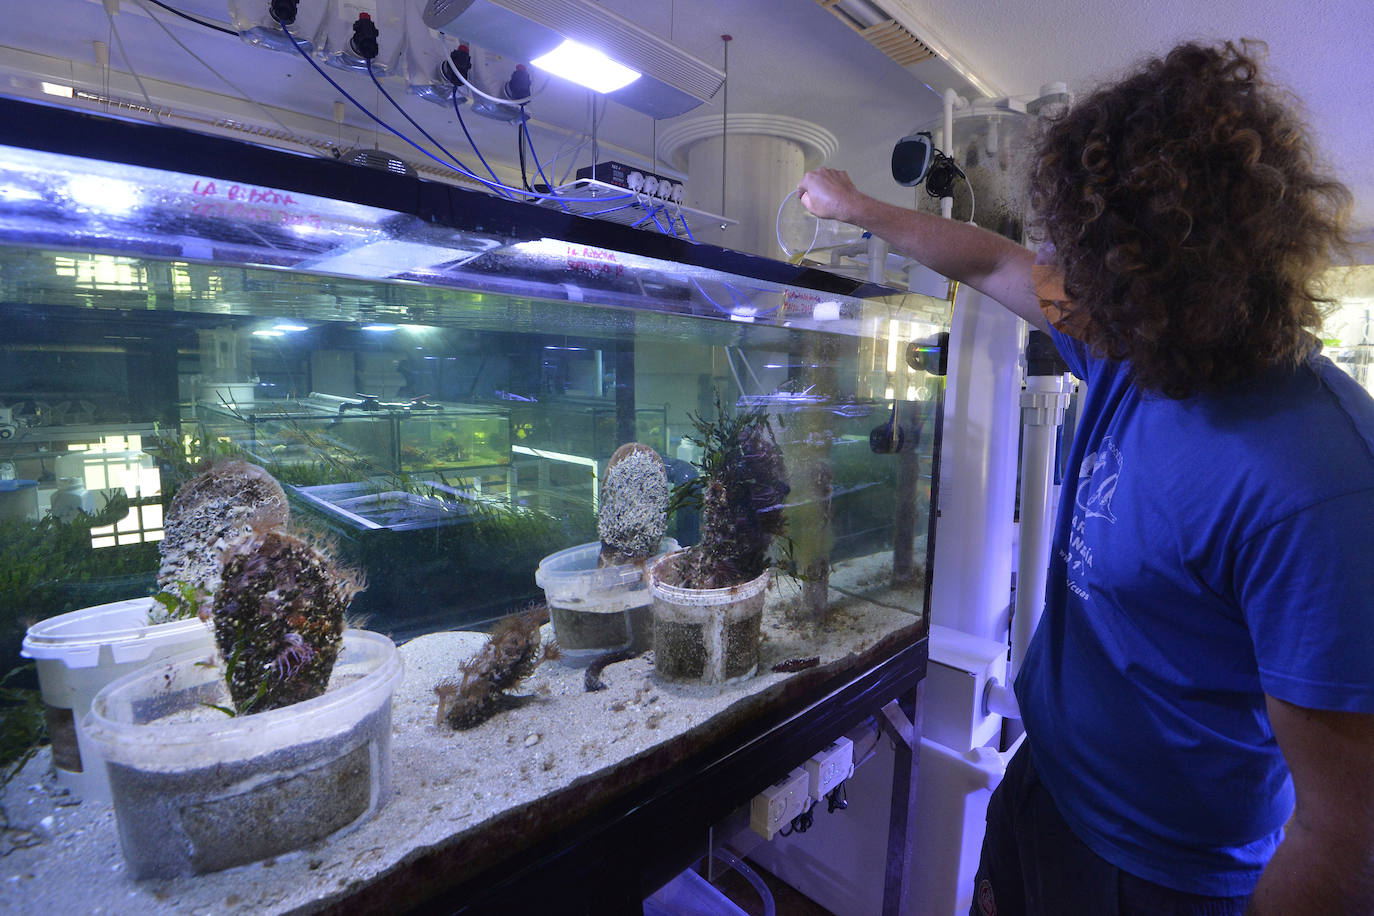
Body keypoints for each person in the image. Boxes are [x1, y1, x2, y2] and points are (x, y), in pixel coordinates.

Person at [798, 40, 1374, 915]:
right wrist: (858, 208)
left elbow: (1348, 836)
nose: (1053, 293)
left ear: (1178, 277)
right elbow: (992, 261)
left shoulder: (1321, 484)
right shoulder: (1135, 350)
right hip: (1047, 787)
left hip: (1161, 875)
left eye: (1080, 268)